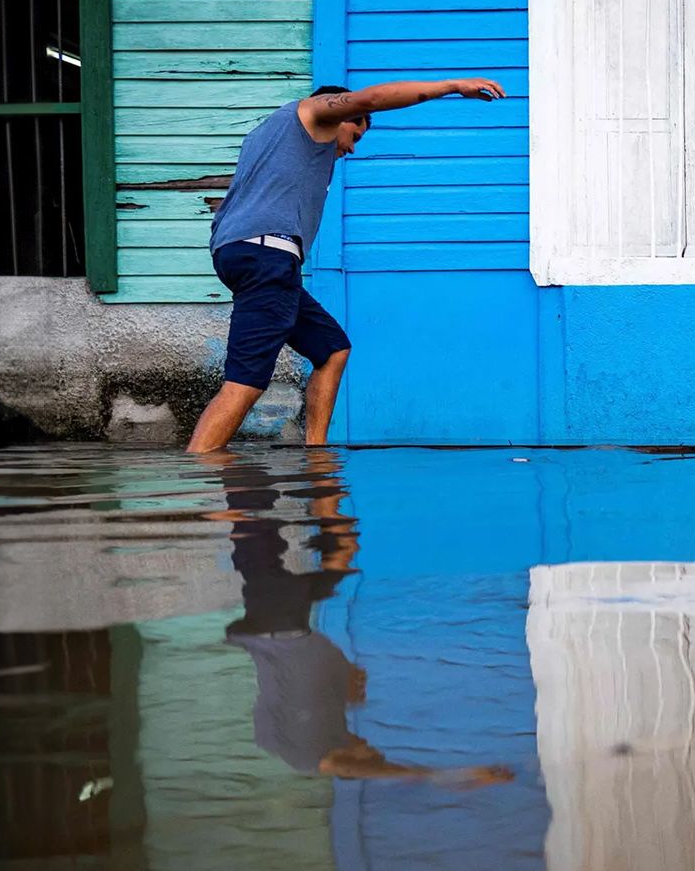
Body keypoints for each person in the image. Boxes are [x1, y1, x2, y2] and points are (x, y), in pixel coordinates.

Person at [186, 78, 507, 453]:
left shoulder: (269, 133)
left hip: (248, 254)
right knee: (246, 381)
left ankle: (316, 454)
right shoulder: (309, 113)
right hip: (266, 255)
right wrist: (452, 86)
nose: (353, 148)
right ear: (338, 113)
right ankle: (201, 476)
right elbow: (370, 98)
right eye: (355, 133)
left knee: (331, 348)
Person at [209, 449, 513, 787]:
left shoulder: (307, 757)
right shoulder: (307, 732)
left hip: (278, 621)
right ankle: (316, 478)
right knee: (343, 551)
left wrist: (449, 776)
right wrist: (345, 681)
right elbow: (295, 689)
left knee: (257, 535)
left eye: (371, 754)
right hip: (287, 620)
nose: (370, 746)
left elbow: (347, 763)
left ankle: (238, 475)